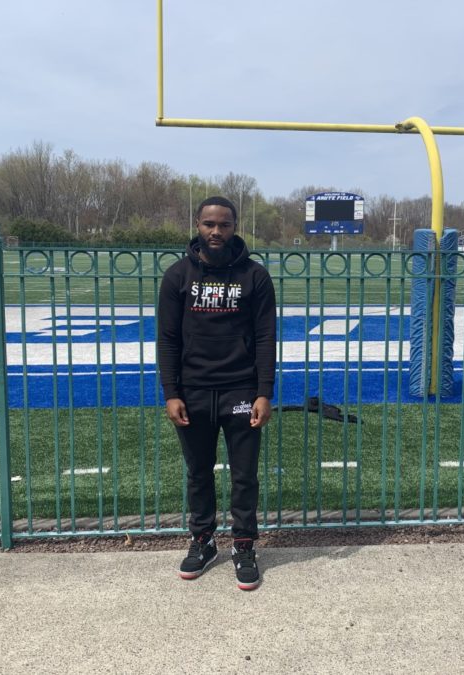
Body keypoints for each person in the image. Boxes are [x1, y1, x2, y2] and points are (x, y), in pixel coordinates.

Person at [157, 196, 276, 591]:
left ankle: (244, 545)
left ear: (234, 226)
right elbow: (168, 339)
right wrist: (171, 392)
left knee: (244, 476)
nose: (215, 231)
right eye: (209, 224)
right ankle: (203, 541)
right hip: (192, 391)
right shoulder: (178, 276)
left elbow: (264, 339)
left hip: (241, 390)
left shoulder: (255, 277)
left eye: (223, 225)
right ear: (197, 224)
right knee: (198, 473)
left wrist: (264, 392)